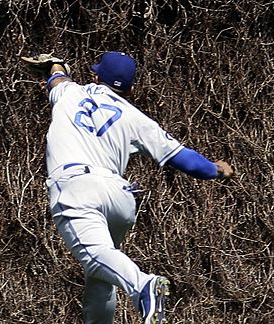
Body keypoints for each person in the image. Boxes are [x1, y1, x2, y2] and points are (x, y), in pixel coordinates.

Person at [38, 51, 233, 324]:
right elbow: (187, 161)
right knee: (101, 273)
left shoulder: (70, 93)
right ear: (131, 88)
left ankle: (143, 286)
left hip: (76, 187)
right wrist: (217, 169)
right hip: (119, 196)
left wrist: (54, 65)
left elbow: (57, 79)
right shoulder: (137, 119)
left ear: (95, 76)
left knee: (96, 257)